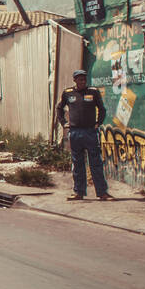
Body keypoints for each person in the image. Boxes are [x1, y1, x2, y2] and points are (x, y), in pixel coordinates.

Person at [56, 68, 111, 201]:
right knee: (77, 163)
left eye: (84, 79)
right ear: (74, 80)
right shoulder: (68, 93)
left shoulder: (93, 92)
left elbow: (102, 109)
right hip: (75, 132)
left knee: (95, 163)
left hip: (90, 132)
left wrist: (98, 122)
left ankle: (102, 193)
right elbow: (59, 108)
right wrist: (64, 123)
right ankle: (78, 192)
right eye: (79, 79)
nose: (82, 81)